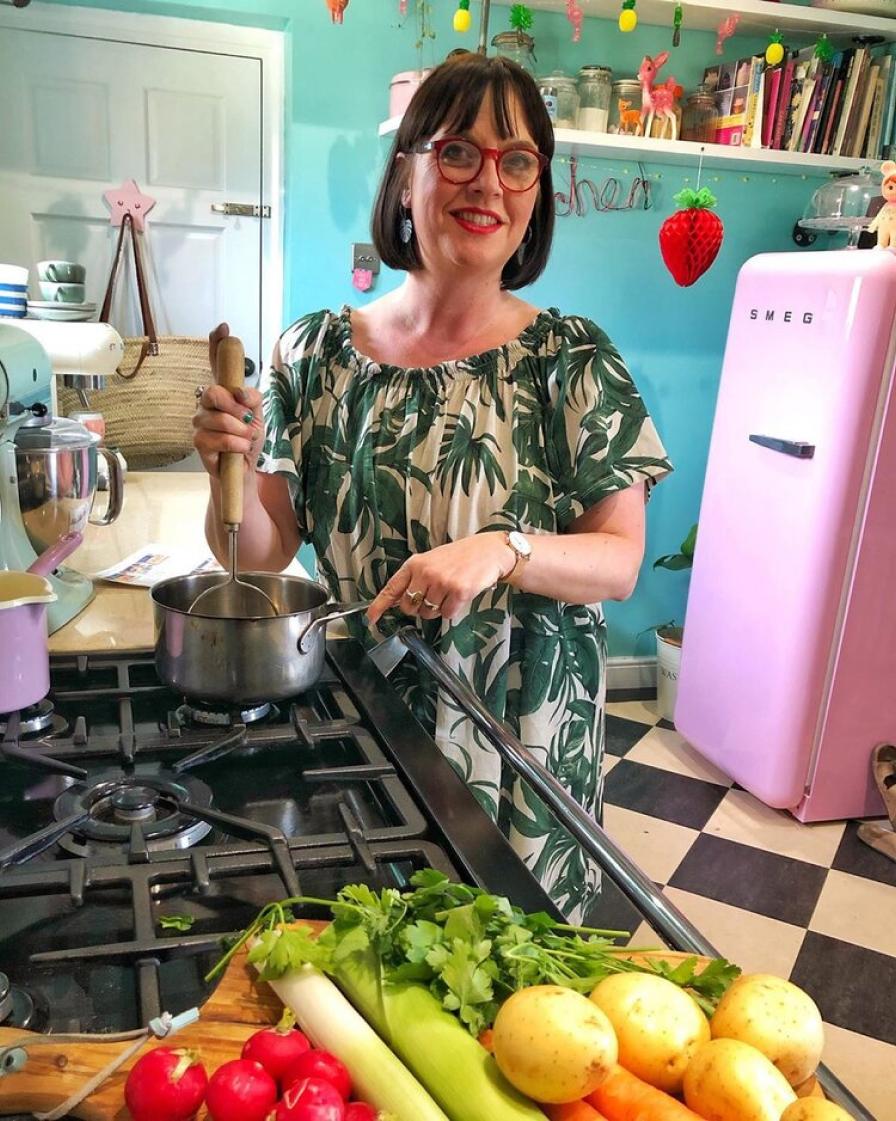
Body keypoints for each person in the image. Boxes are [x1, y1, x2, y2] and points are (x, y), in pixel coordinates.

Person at [193, 52, 672, 923]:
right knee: (364, 981)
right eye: (459, 150)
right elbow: (253, 555)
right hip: (357, 730)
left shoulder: (573, 360)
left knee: (510, 1008)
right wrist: (222, 468)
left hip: (517, 751)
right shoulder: (316, 352)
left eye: (517, 159)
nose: (488, 180)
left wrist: (504, 549)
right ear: (406, 171)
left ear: (535, 197)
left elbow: (619, 561)